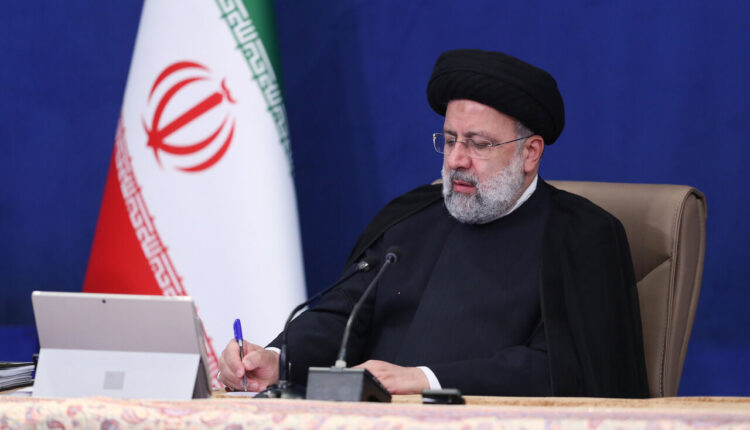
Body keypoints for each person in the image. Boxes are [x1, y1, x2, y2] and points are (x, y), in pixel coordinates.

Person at [218, 49, 649, 398]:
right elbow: (342, 315)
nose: (457, 159)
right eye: (450, 140)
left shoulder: (582, 235)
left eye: (478, 144)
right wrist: (279, 358)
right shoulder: (411, 217)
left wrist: (425, 379)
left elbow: (564, 369)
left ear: (530, 153)